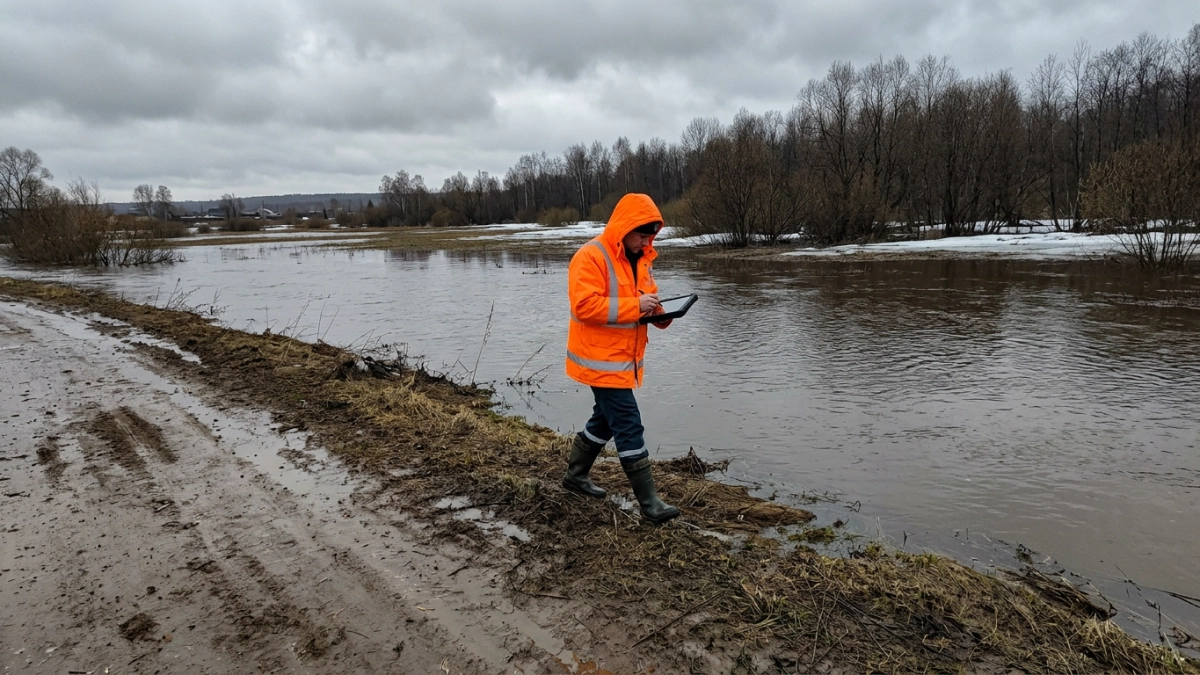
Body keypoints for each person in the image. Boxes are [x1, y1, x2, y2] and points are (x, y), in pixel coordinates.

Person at [561, 193, 680, 524]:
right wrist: (636, 308)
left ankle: (575, 476)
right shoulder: (591, 256)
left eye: (650, 237)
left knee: (604, 420)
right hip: (598, 361)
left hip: (622, 360)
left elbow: (645, 301)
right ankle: (650, 504)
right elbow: (583, 306)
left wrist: (662, 313)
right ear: (625, 228)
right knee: (628, 425)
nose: (646, 242)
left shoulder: (640, 258)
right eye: (642, 235)